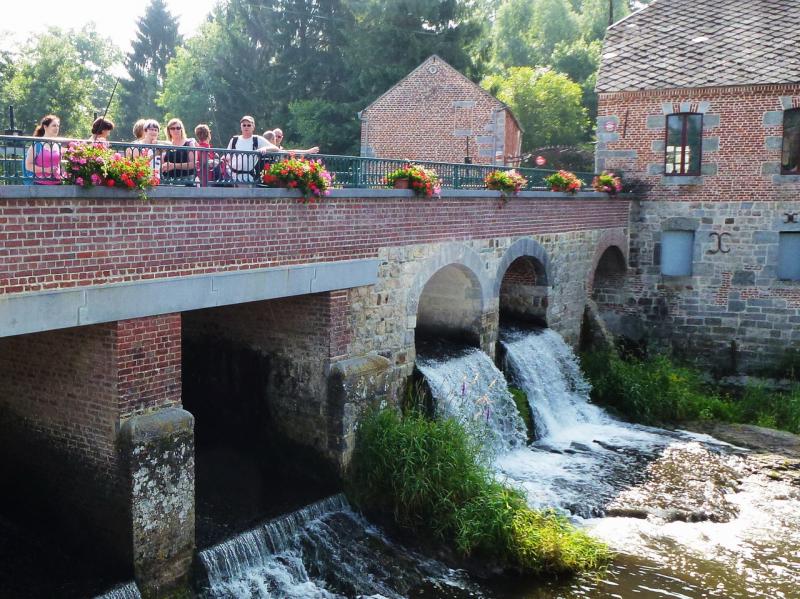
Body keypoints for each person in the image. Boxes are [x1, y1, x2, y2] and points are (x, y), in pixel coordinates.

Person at [225, 115, 276, 184]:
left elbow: (275, 148)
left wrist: (265, 148)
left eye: (249, 125)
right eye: (244, 125)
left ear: (253, 127)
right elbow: (227, 157)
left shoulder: (257, 139)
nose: (246, 127)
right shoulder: (234, 140)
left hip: (247, 178)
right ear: (241, 127)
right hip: (231, 177)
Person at [24, 114, 62, 185]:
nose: (57, 128)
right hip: (40, 185)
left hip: (57, 184)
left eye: (58, 126)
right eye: (54, 125)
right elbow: (28, 166)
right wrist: (46, 170)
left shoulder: (58, 145)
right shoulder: (36, 145)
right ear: (45, 127)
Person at [162, 117, 196, 185]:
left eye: (178, 128)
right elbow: (162, 165)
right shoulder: (165, 145)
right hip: (168, 180)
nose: (176, 130)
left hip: (186, 180)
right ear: (169, 131)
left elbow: (193, 164)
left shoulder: (189, 143)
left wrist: (174, 166)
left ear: (181, 129)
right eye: (172, 128)